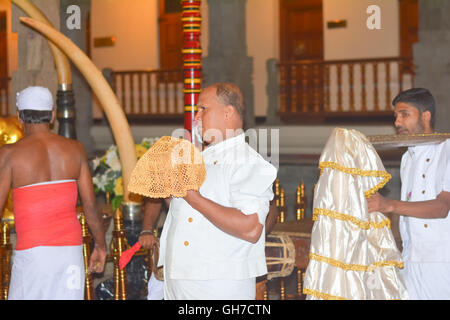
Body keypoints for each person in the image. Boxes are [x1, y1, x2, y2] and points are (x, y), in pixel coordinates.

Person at [139, 83, 277, 300]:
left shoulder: (248, 161)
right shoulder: (200, 158)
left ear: (227, 113)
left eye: (203, 109)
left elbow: (251, 228)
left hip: (217, 287)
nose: (196, 117)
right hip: (179, 282)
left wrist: (193, 198)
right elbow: (188, 215)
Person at [0, 86, 107, 300]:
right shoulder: (75, 149)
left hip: (33, 252)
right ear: (51, 116)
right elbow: (90, 206)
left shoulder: (9, 154)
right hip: (70, 251)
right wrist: (101, 245)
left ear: (20, 117)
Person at [367, 88, 450, 299]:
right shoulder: (407, 158)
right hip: (410, 258)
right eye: (396, 116)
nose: (397, 122)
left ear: (426, 116)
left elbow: (442, 208)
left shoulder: (446, 150)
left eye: (404, 114)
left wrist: (389, 205)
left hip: (441, 261)